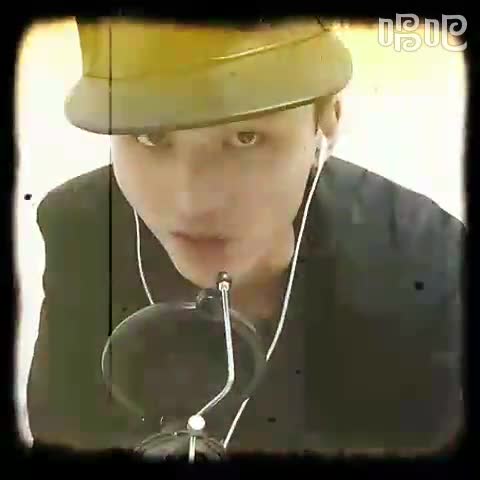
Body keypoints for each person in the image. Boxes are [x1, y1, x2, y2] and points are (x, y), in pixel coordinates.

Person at [26, 16, 465, 457]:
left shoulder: (425, 264)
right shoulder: (82, 228)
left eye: (245, 136)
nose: (191, 201)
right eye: (151, 136)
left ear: (328, 116)